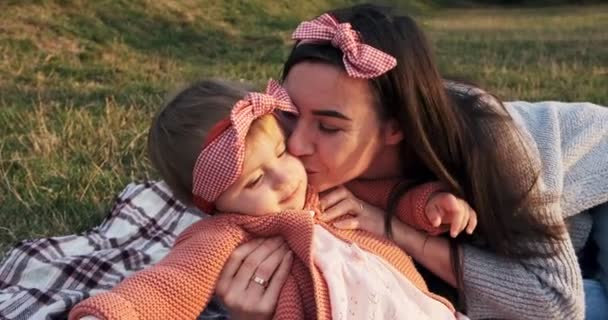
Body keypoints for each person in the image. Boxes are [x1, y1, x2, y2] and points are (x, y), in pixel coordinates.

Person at [213, 4, 608, 320]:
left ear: (396, 127)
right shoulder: (289, 157)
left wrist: (395, 229)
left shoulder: (487, 137)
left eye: (329, 127)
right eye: (291, 113)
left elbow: (554, 304)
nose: (296, 145)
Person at [69, 79, 476, 320]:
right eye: (255, 180)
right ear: (216, 204)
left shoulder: (326, 188)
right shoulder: (224, 234)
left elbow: (387, 196)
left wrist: (430, 204)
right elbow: (168, 285)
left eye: (281, 152)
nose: (284, 177)